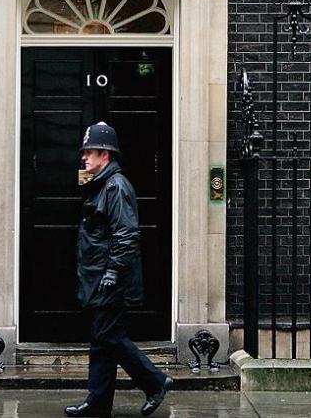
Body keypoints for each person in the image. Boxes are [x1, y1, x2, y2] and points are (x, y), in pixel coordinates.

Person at [64, 122, 173, 418]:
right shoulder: (99, 184)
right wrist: (87, 180)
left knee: (109, 337)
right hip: (99, 276)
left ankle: (155, 382)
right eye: (84, 152)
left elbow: (126, 235)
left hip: (110, 279)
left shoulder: (116, 187)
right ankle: (98, 402)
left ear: (106, 156)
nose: (84, 157)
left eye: (91, 152)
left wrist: (112, 272)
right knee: (102, 339)